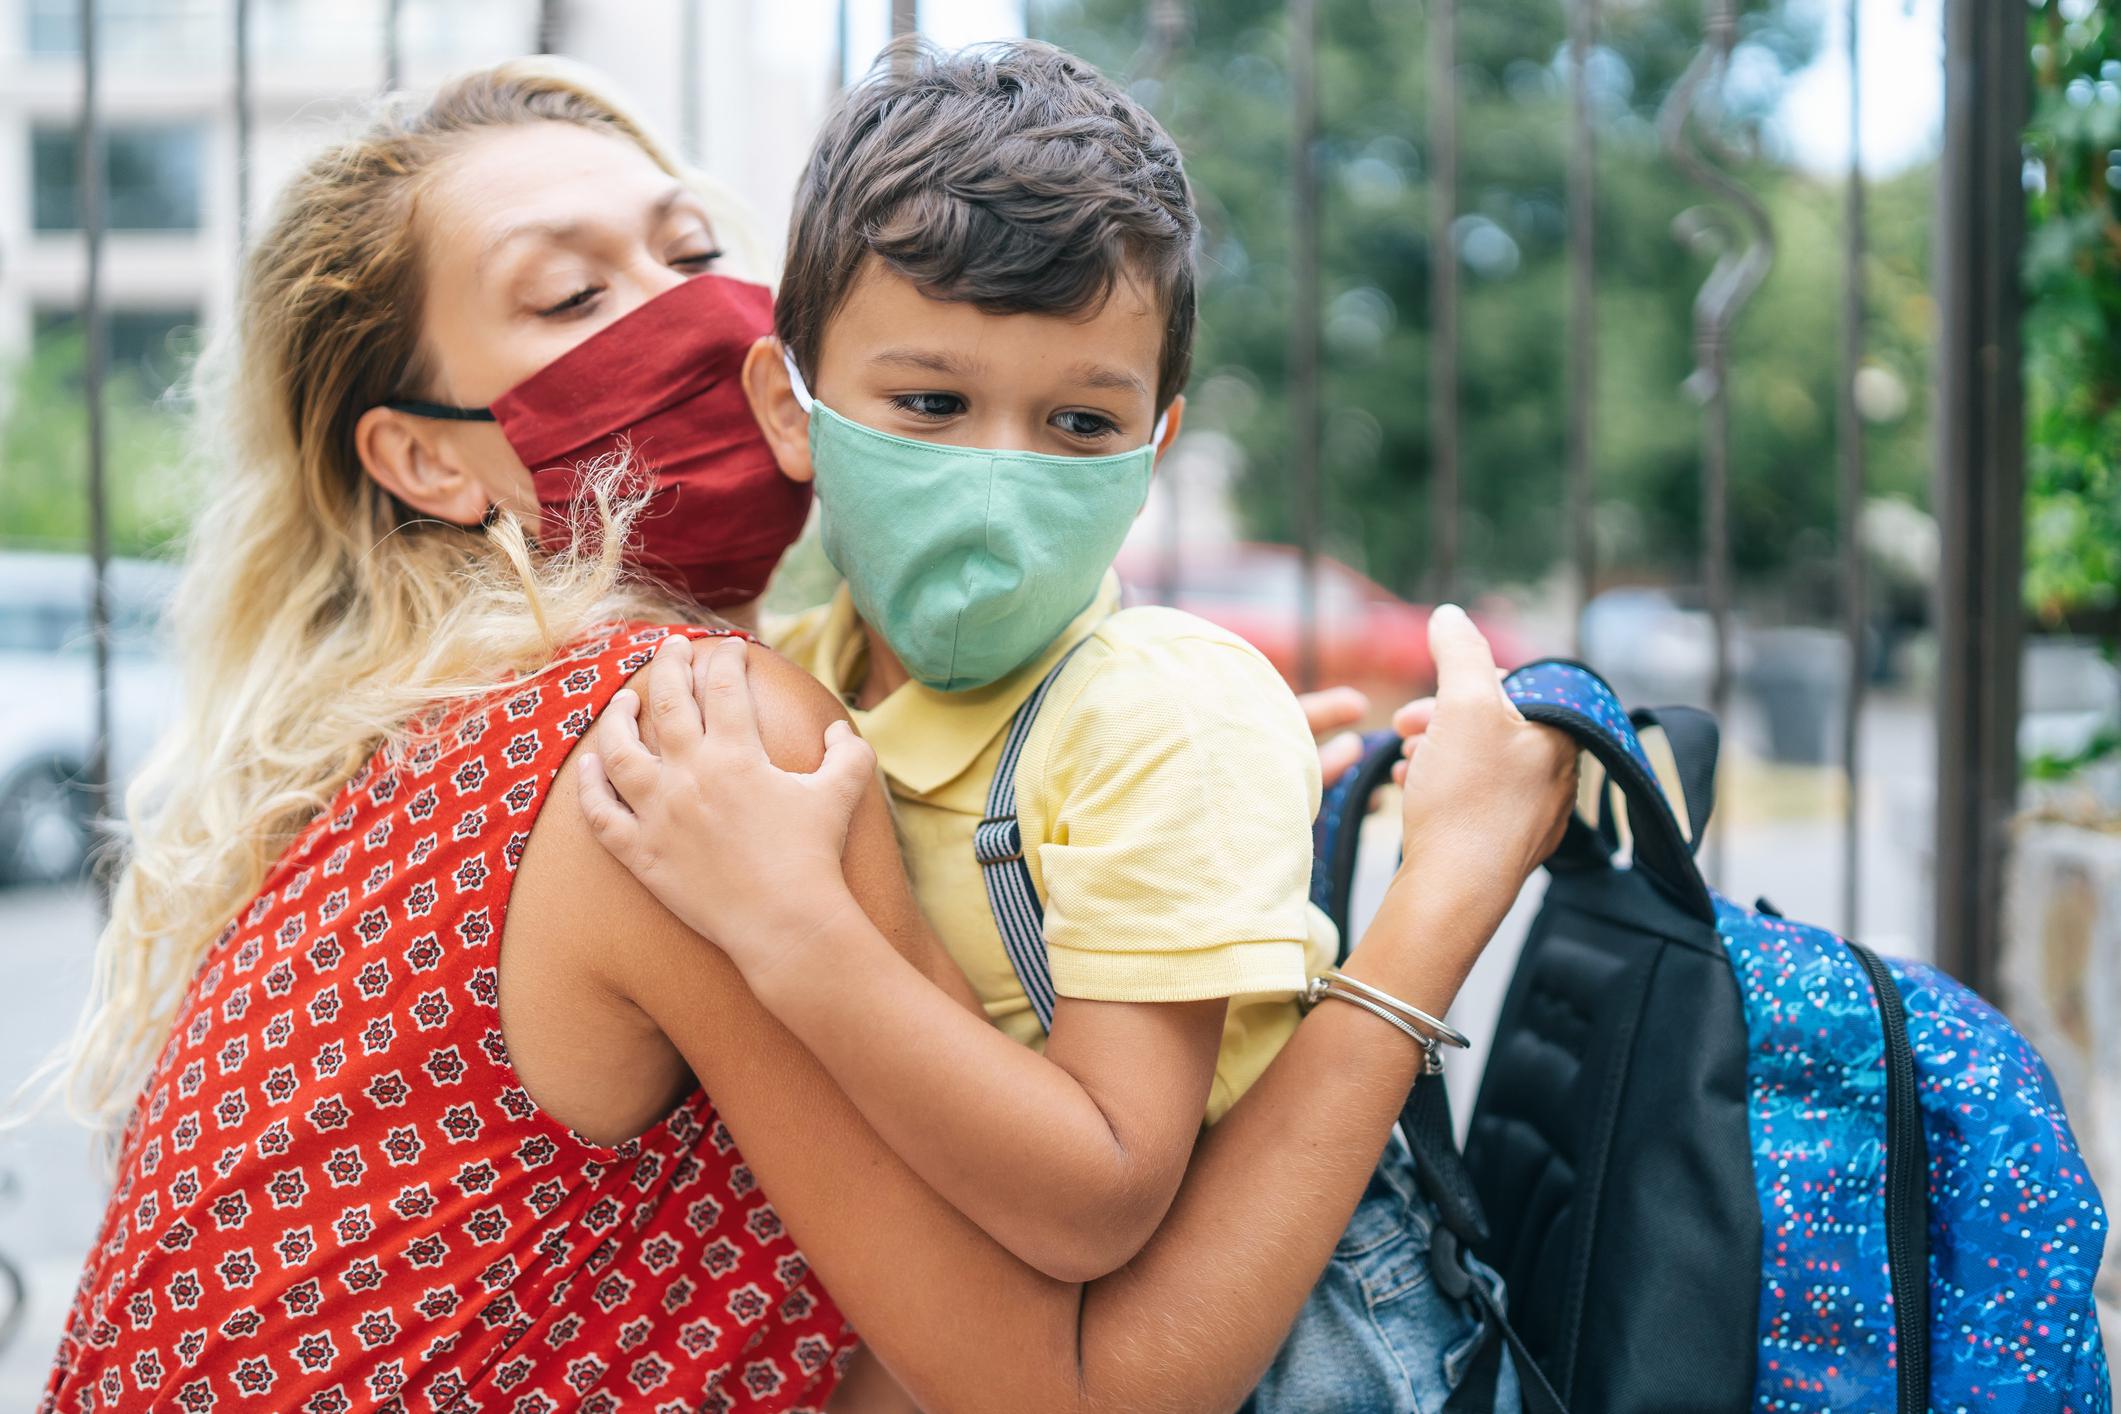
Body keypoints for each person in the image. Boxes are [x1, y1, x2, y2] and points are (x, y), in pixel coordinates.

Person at [39, 55, 1576, 1414]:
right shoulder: (685, 732)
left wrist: (1140, 797)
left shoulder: (406, 735)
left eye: (696, 252)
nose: (696, 324)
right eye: (572, 297)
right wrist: (1439, 894)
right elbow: (1088, 1391)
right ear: (427, 460)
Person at [582, 40, 1514, 1413]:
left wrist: (795, 927)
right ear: (793, 407)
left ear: (1154, 444)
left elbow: (1099, 1200)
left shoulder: (1153, 713)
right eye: (930, 404)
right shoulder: (799, 674)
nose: (998, 476)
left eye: (1079, 420)